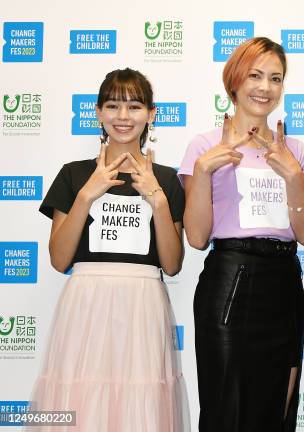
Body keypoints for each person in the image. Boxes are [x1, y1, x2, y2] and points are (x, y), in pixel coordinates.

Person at [31, 68, 189, 431]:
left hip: (143, 304)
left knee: (141, 402)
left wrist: (158, 200)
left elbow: (172, 263)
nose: (123, 116)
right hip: (86, 304)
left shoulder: (166, 179)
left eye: (134, 106)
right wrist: (88, 193)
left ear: (151, 114)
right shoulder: (73, 174)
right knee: (80, 399)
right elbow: (59, 259)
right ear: (99, 112)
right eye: (113, 105)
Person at [179, 37, 304, 431]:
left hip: (283, 282)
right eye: (255, 75)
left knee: (278, 410)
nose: (265, 87)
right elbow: (197, 237)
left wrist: (292, 176)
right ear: (234, 82)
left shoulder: (295, 150)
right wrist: (204, 170)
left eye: (275, 78)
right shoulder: (204, 146)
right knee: (227, 410)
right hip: (230, 281)